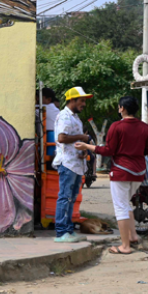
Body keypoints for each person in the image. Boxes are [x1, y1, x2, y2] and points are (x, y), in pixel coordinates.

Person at [76, 96, 148, 255]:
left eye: (120, 107)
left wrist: (87, 146)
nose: (119, 109)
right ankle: (133, 236)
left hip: (121, 171)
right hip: (139, 172)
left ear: (122, 109)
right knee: (126, 204)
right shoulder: (144, 127)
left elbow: (108, 151)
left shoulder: (116, 127)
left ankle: (125, 246)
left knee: (120, 207)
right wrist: (136, 152)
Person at [52, 87, 92, 243]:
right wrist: (82, 137)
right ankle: (61, 232)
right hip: (67, 164)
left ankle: (68, 230)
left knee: (71, 198)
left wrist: (82, 150)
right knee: (65, 197)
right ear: (72, 100)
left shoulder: (75, 117)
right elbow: (61, 138)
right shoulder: (64, 116)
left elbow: (73, 141)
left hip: (76, 163)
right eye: (81, 101)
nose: (84, 104)